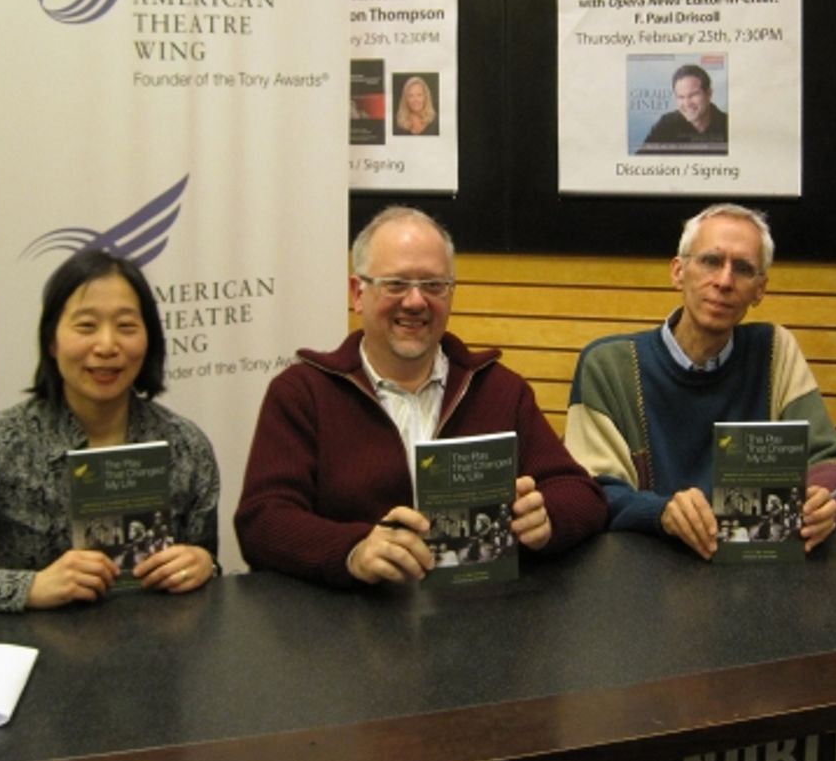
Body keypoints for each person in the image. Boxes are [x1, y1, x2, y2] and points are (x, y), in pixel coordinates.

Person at [234, 206, 607, 587]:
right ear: (357, 293)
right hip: (348, 626)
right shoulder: (304, 393)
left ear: (451, 294)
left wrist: (547, 519)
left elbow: (581, 494)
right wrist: (352, 550)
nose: (415, 301)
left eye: (433, 285)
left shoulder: (498, 389)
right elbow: (262, 520)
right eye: (396, 284)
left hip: (478, 625)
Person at [0, 250, 220, 611]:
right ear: (52, 341)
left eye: (126, 326)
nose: (108, 345)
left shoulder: (185, 446)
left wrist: (205, 564)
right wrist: (28, 587)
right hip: (26, 653)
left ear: (149, 340)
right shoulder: (2, 442)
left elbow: (203, 577)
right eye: (86, 326)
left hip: (155, 651)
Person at [563, 203, 836, 560]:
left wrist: (822, 498)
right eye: (710, 261)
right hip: (644, 573)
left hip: (755, 576)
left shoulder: (774, 351)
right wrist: (661, 513)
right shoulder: (609, 366)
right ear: (678, 271)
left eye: (744, 269)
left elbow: (833, 459)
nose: (724, 281)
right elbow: (589, 491)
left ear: (760, 290)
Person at [638, 64, 728, 154]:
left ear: (709, 94)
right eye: (681, 97)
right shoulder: (666, 125)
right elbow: (640, 161)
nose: (687, 103)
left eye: (693, 95)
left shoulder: (728, 124)